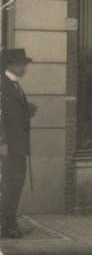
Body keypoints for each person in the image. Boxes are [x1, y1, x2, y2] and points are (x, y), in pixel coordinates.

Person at [0, 49, 38, 239]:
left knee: (15, 185)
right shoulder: (3, 86)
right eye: (21, 64)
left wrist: (27, 110)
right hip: (9, 147)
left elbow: (13, 113)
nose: (25, 68)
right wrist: (2, 143)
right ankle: (6, 227)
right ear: (9, 65)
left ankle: (10, 223)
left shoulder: (15, 86)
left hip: (18, 146)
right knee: (10, 185)